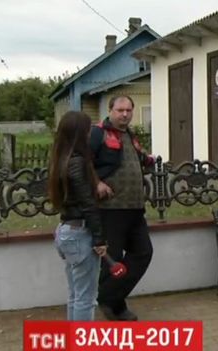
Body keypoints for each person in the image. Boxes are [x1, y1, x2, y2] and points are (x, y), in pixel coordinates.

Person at [90, 95, 154, 321]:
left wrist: (147, 159)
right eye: (120, 110)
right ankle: (116, 306)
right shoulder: (97, 133)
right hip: (110, 209)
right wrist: (96, 182)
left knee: (143, 253)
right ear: (110, 110)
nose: (124, 114)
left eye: (128, 110)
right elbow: (81, 161)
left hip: (135, 208)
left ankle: (107, 296)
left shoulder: (130, 135)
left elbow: (132, 159)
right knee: (113, 258)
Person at [48, 111, 108, 320]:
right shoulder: (78, 161)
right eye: (88, 129)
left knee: (75, 295)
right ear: (79, 133)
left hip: (65, 231)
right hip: (80, 233)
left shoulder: (60, 159)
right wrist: (100, 238)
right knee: (86, 298)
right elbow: (87, 203)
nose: (91, 133)